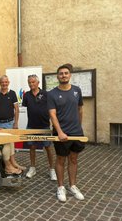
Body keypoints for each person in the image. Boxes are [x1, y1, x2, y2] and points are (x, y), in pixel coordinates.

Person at [48, 63, 85, 202]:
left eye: (66, 73)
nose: (63, 75)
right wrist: (59, 132)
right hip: (61, 133)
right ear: (57, 76)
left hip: (76, 133)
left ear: (70, 75)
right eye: (61, 73)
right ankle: (61, 187)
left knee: (74, 159)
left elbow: (80, 109)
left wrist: (79, 127)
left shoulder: (77, 90)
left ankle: (73, 186)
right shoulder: (52, 94)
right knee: (61, 159)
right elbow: (52, 115)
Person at [22, 74, 56, 180]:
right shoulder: (26, 95)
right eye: (29, 82)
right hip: (31, 125)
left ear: (38, 83)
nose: (31, 84)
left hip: (44, 125)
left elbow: (51, 109)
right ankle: (32, 168)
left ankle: (52, 169)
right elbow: (26, 107)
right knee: (32, 147)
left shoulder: (46, 94)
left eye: (33, 82)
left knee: (48, 148)